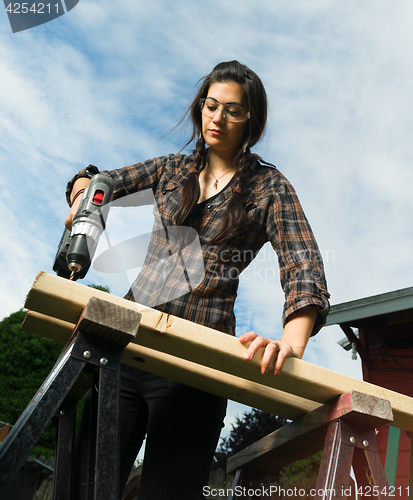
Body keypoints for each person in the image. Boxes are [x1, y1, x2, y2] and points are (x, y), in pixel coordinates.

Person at [65, 60, 330, 500]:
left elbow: (304, 264)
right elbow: (104, 181)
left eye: (233, 110)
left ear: (252, 121)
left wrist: (292, 341)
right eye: (211, 106)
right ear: (199, 108)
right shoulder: (172, 170)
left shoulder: (268, 187)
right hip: (124, 346)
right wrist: (83, 194)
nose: (218, 118)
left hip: (199, 363)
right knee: (84, 489)